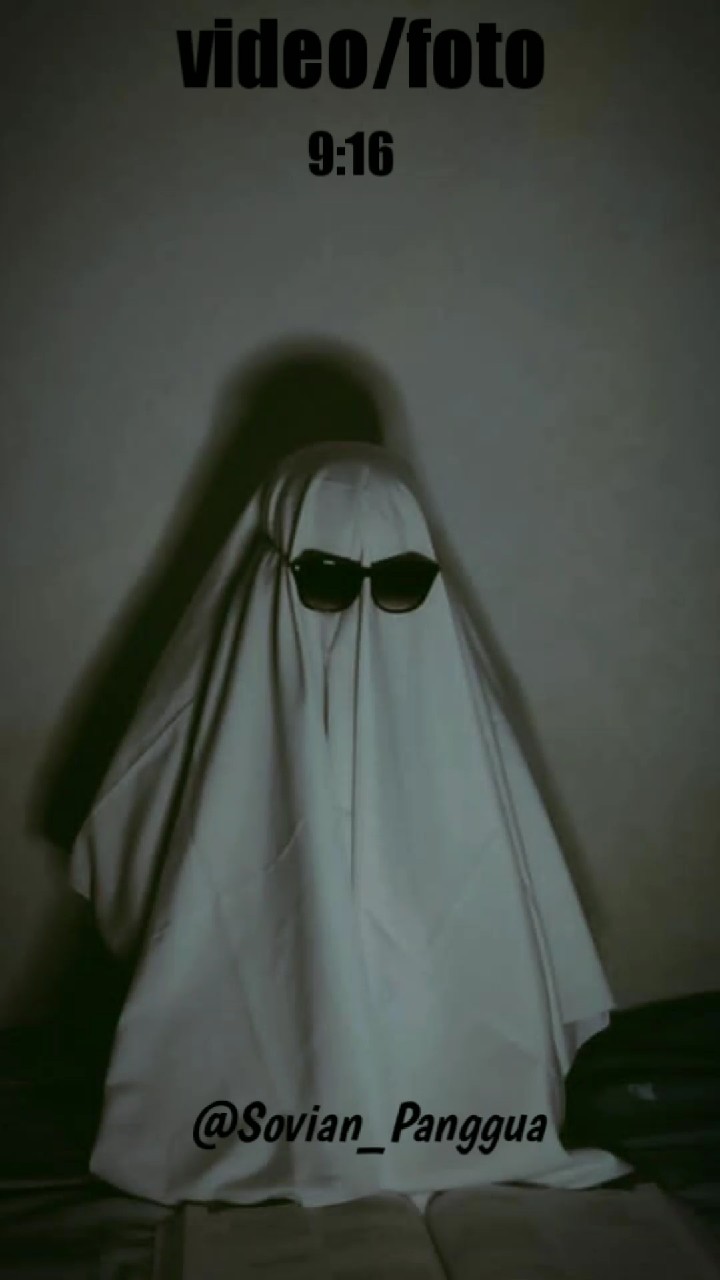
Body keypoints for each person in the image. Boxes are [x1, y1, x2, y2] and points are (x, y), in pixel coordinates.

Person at [69, 441, 625, 1206]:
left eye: (399, 581)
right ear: (272, 569)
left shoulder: (451, 689)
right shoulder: (216, 698)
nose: (362, 617)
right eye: (326, 580)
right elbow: (127, 842)